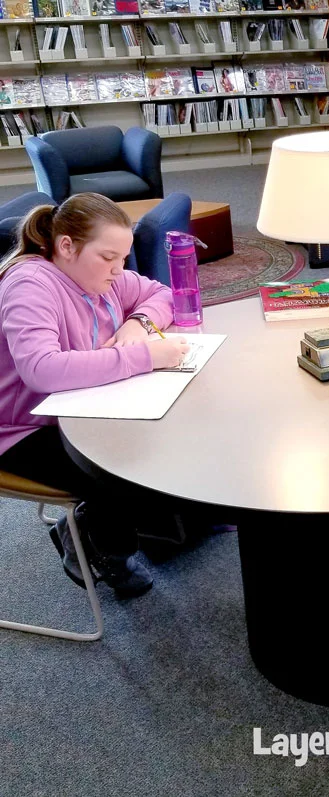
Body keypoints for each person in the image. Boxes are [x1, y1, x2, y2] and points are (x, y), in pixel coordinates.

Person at [0, 193, 189, 598]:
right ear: (66, 246)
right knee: (118, 470)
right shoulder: (30, 284)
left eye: (124, 257)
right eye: (109, 257)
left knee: (170, 437)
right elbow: (41, 369)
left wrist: (138, 323)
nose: (119, 270)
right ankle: (101, 548)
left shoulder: (102, 277)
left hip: (81, 407)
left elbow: (163, 295)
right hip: (21, 428)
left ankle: (106, 524)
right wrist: (140, 356)